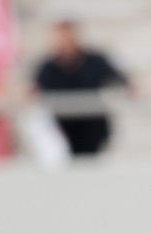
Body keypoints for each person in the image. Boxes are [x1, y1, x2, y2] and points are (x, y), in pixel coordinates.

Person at [32, 19, 131, 156]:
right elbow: (34, 89)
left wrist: (130, 88)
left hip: (93, 126)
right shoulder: (47, 67)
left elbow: (120, 79)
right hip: (63, 128)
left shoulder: (95, 60)